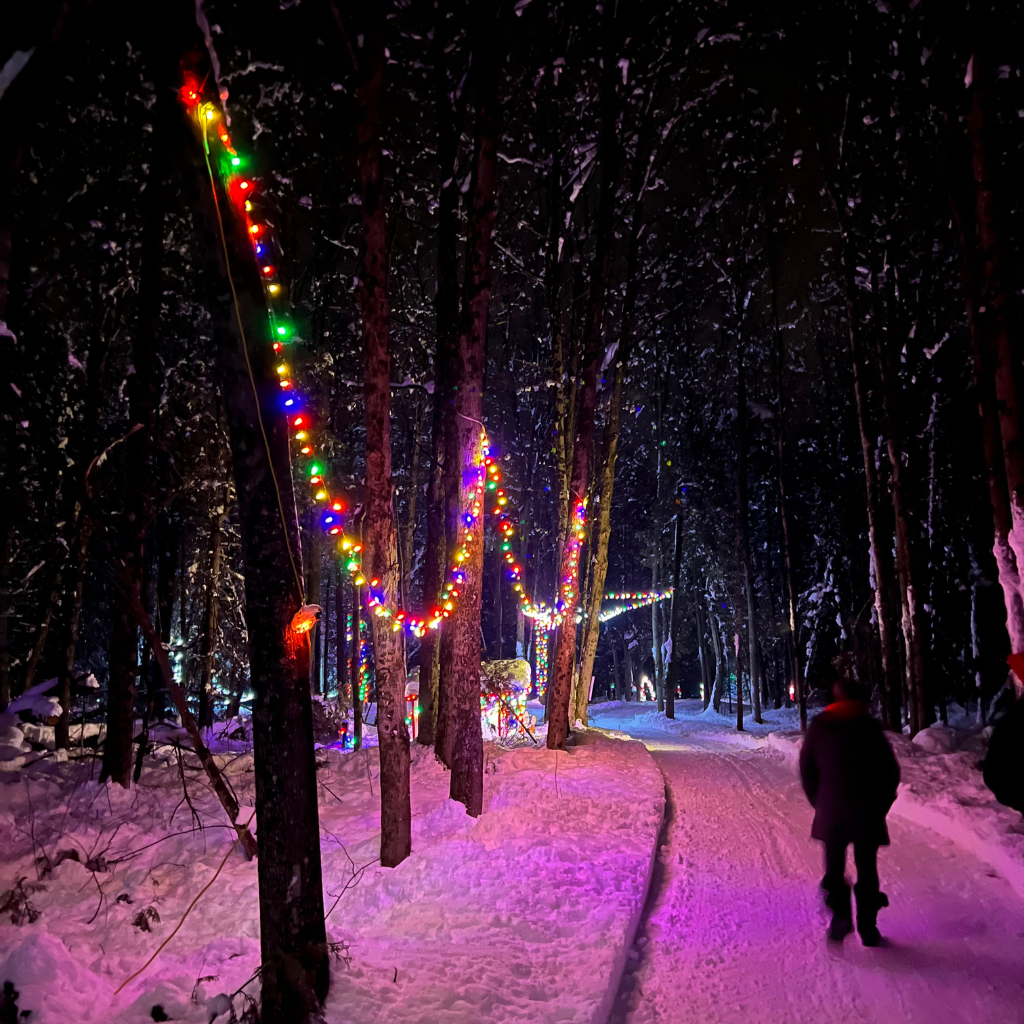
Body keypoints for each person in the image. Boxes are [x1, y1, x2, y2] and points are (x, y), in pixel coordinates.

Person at [799, 674, 900, 946]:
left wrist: (820, 801)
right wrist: (881, 805)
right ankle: (868, 926)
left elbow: (807, 770)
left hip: (832, 812)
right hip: (867, 813)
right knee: (867, 867)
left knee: (834, 866)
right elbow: (890, 773)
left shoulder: (820, 727)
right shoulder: (869, 727)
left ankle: (841, 916)